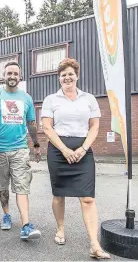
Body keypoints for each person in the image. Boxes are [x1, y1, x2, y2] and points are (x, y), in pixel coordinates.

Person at [41, 58, 111, 260]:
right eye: (63, 75)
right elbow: (47, 127)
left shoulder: (88, 99)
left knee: (88, 197)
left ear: (77, 75)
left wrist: (83, 148)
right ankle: (61, 229)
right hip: (58, 150)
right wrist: (64, 149)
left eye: (70, 74)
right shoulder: (51, 100)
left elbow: (95, 126)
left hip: (83, 150)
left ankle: (94, 245)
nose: (67, 77)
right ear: (59, 78)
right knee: (59, 194)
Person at [0, 61, 42, 240]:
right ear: (4, 76)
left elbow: (31, 124)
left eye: (15, 74)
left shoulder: (26, 98)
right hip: (0, 151)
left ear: (20, 76)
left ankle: (26, 225)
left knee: (22, 187)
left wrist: (35, 144)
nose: (12, 76)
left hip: (20, 149)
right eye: (9, 73)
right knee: (2, 188)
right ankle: (6, 214)